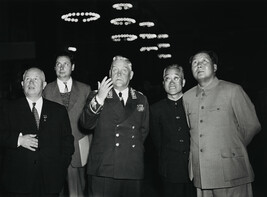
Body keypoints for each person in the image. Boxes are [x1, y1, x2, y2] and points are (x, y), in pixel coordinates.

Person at [183, 50, 261, 197]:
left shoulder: (233, 90)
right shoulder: (187, 97)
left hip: (231, 172)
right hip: (202, 174)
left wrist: (231, 149)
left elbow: (251, 125)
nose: (199, 65)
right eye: (195, 63)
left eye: (204, 61)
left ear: (215, 67)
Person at [80, 55, 149, 197]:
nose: (118, 73)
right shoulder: (96, 95)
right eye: (115, 69)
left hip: (131, 167)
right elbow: (85, 124)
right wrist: (100, 98)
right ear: (109, 73)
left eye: (123, 70)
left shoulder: (141, 98)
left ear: (131, 75)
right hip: (104, 167)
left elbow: (143, 131)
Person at [0, 67, 74, 197]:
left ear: (44, 85)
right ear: (22, 84)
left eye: (36, 79)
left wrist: (60, 167)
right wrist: (18, 140)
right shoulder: (8, 108)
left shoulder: (58, 111)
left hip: (50, 181)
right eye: (27, 79)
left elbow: (67, 142)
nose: (31, 82)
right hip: (18, 181)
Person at [43, 50, 92, 197]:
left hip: (79, 148)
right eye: (58, 64)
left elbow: (90, 121)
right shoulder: (45, 90)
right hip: (54, 149)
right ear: (54, 68)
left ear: (73, 67)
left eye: (66, 64)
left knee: (78, 189)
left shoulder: (85, 89)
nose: (61, 67)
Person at [150, 64, 196, 197]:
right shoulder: (155, 110)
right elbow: (158, 142)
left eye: (176, 78)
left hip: (195, 168)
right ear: (163, 83)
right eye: (167, 79)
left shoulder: (194, 104)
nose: (172, 82)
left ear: (183, 82)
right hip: (169, 170)